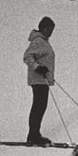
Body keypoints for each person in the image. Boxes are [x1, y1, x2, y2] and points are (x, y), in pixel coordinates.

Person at [23, 17, 56, 145]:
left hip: (42, 80)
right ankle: (33, 135)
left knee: (40, 106)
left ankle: (34, 134)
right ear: (43, 28)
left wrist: (48, 76)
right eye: (49, 29)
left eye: (52, 30)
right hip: (38, 80)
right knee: (39, 106)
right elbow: (27, 57)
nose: (51, 32)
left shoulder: (43, 41)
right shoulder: (39, 41)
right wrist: (38, 68)